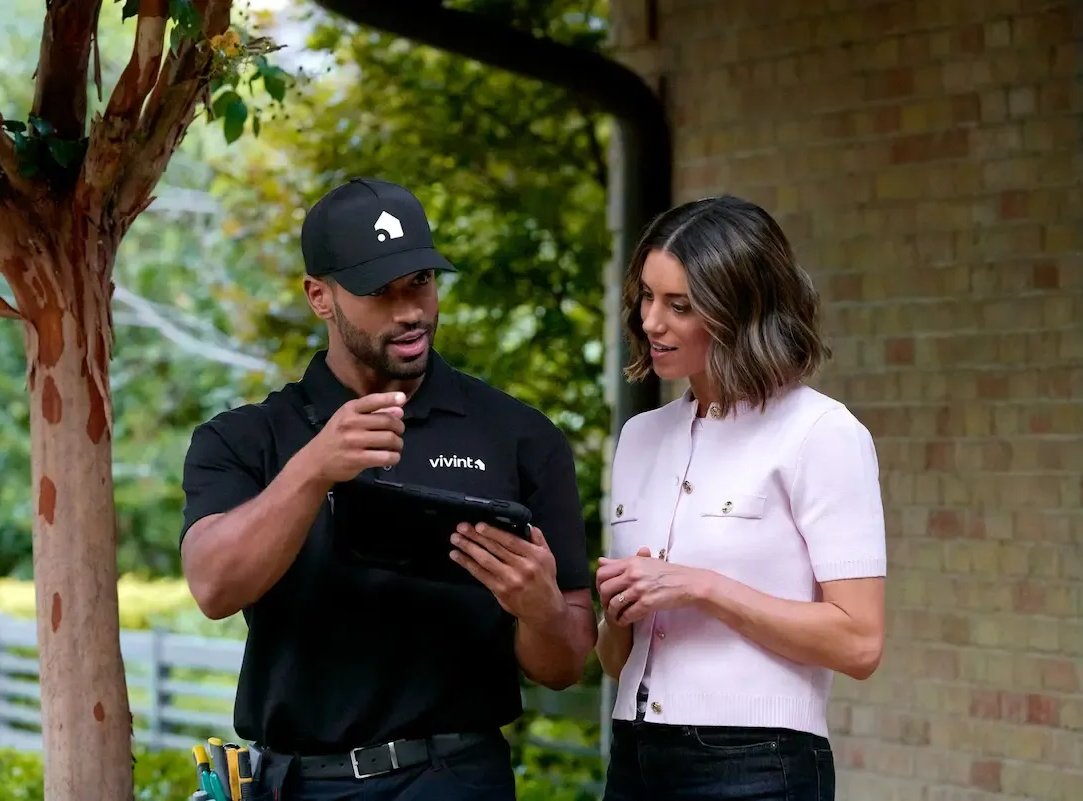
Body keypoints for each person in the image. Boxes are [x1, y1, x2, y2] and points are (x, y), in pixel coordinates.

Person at [179, 177, 597, 801]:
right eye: (380, 291)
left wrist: (539, 608)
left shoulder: (520, 436)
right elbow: (213, 588)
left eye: (421, 283)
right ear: (319, 296)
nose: (410, 312)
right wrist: (311, 470)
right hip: (297, 785)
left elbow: (565, 665)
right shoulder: (245, 439)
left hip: (454, 777)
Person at [594, 195, 887, 801]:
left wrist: (703, 587)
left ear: (741, 311)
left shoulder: (820, 433)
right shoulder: (640, 436)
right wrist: (618, 611)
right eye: (647, 296)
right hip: (635, 751)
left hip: (757, 764)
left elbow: (859, 642)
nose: (651, 322)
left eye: (680, 305)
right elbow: (614, 660)